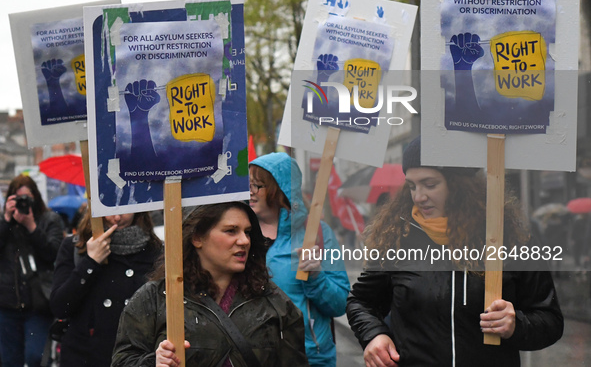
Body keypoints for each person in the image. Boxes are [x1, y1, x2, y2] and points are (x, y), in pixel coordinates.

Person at [346, 136, 564, 367]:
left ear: (459, 184)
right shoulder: (398, 240)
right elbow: (361, 301)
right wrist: (374, 335)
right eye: (412, 186)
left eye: (430, 184)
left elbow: (550, 320)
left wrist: (516, 325)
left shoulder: (510, 240)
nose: (418, 196)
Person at [111, 201, 308, 366]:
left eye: (247, 232)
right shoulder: (155, 298)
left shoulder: (272, 300)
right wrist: (155, 362)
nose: (244, 241)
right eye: (231, 231)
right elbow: (122, 360)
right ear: (197, 237)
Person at [249, 153, 350, 367]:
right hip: (254, 357)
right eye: (247, 184)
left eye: (257, 185)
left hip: (310, 358)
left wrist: (316, 277)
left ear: (279, 190)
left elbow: (340, 303)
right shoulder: (241, 234)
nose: (250, 192)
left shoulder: (317, 234)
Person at [50, 209, 163, 367]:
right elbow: (60, 306)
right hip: (85, 355)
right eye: (110, 209)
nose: (116, 217)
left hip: (136, 356)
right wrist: (90, 262)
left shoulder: (154, 250)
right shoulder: (76, 246)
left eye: (124, 209)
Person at [0, 174, 65, 367]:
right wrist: (6, 220)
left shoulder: (49, 219)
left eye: (26, 198)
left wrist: (31, 227)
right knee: (10, 361)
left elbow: (54, 253)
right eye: (17, 198)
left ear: (35, 197)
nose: (22, 203)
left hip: (38, 304)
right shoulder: (4, 222)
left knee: (35, 357)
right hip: (6, 304)